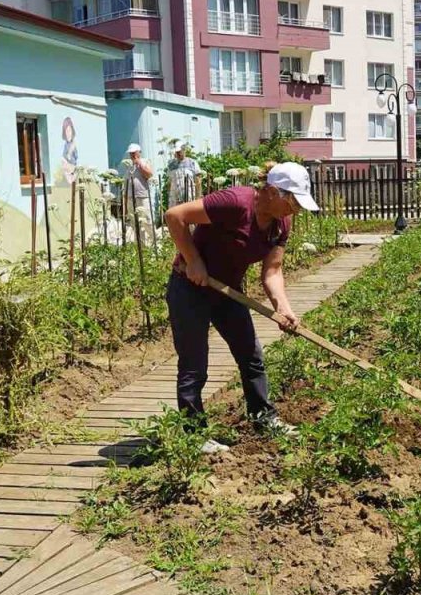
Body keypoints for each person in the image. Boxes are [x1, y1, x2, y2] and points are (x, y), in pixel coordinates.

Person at [164, 162, 319, 433]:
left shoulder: (282, 223)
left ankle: (263, 418)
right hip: (189, 287)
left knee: (250, 355)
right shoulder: (235, 203)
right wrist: (194, 260)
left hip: (227, 291)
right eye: (292, 202)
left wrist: (283, 308)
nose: (295, 209)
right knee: (194, 364)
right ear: (272, 191)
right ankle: (194, 436)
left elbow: (272, 271)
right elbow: (174, 215)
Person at [121, 143, 156, 245]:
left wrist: (139, 163)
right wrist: (125, 204)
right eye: (130, 153)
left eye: (134, 153)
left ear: (139, 152)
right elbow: (126, 185)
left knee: (147, 221)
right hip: (131, 198)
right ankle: (141, 247)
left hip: (143, 197)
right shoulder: (129, 167)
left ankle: (156, 243)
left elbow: (149, 174)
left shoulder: (145, 162)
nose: (132, 155)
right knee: (135, 224)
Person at [61, 117, 79, 185]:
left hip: (73, 167)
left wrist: (69, 154)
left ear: (72, 131)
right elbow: (64, 158)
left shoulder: (73, 143)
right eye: (66, 131)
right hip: (69, 168)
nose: (68, 134)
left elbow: (73, 147)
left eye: (69, 131)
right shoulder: (66, 144)